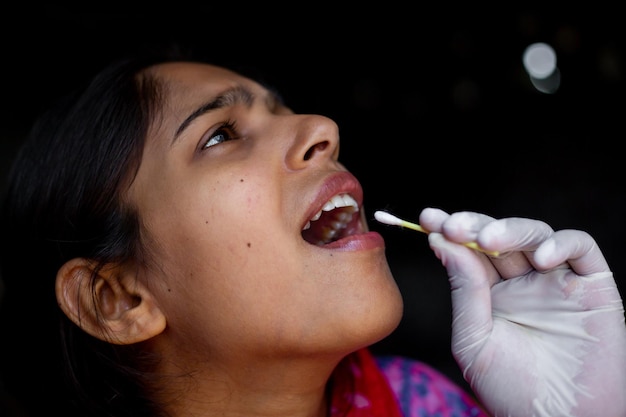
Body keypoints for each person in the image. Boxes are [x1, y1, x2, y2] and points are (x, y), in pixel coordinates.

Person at [1, 46, 625, 417]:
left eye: (281, 107)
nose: (321, 126)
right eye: (219, 135)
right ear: (119, 300)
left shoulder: (423, 404)